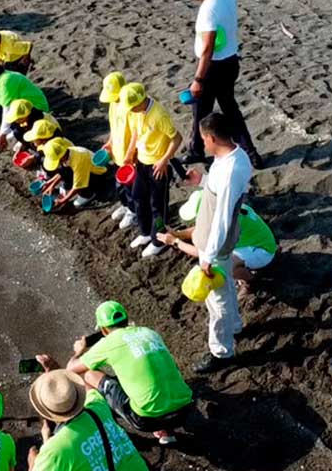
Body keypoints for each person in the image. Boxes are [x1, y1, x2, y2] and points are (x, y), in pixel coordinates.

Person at [24, 369, 155, 471]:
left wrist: (34, 460)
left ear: (46, 413)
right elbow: (89, 390)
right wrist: (61, 378)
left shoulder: (57, 448)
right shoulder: (98, 407)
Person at [180, 114, 253, 374]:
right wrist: (200, 182)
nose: (203, 144)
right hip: (213, 241)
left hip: (216, 246)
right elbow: (217, 192)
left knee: (217, 300)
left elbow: (223, 217)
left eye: (203, 139)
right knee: (226, 291)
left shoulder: (233, 170)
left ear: (211, 138)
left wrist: (208, 256)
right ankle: (235, 326)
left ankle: (222, 351)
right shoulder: (229, 158)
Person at [64, 301, 193, 446]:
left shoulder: (109, 343)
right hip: (185, 410)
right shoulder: (149, 332)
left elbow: (71, 368)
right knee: (155, 376)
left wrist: (79, 351)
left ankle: (102, 420)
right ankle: (166, 431)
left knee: (89, 374)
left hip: (146, 419)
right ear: (126, 320)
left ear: (104, 330)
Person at [184, 0, 263, 168]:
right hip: (231, 61)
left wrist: (198, 79)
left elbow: (208, 48)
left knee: (201, 110)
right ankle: (251, 153)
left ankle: (197, 152)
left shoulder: (207, 10)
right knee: (229, 108)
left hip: (214, 67)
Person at [158, 202, 277, 297]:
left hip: (263, 251)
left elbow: (203, 254)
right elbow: (200, 227)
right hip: (258, 240)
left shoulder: (225, 227)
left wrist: (175, 242)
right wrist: (179, 234)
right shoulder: (225, 207)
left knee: (227, 266)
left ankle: (250, 281)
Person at [119, 83, 182, 258]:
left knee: (157, 206)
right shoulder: (134, 112)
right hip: (141, 162)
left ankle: (158, 241)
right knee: (138, 197)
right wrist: (130, 153)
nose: (130, 110)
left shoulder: (159, 115)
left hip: (158, 166)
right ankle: (146, 233)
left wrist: (164, 160)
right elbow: (135, 134)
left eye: (131, 107)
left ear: (139, 102)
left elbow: (176, 138)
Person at [98, 72, 136, 230]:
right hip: (118, 154)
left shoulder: (131, 107)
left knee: (131, 187)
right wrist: (109, 142)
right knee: (120, 185)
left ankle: (133, 211)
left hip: (130, 156)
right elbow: (114, 127)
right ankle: (126, 205)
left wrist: (130, 154)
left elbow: (136, 133)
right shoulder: (113, 104)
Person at [39, 137, 107, 210]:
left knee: (74, 178)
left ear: (61, 157)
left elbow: (78, 185)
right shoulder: (66, 153)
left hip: (98, 175)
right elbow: (63, 172)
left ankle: (87, 195)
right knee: (63, 170)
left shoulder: (78, 160)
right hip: (84, 170)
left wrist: (63, 201)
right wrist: (51, 185)